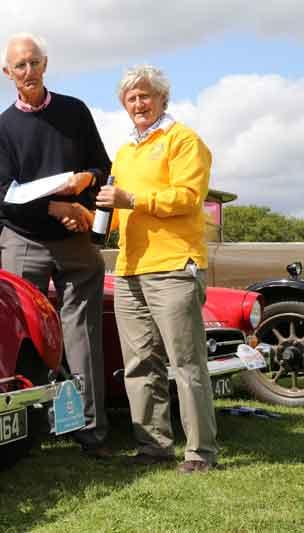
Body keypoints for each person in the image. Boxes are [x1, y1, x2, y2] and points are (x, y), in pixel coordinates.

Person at [0, 33, 111, 457]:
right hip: (24, 239)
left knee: (82, 334)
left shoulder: (74, 111)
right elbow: (5, 196)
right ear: (8, 73)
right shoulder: (0, 130)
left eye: (34, 63)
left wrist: (86, 187)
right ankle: (31, 428)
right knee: (26, 336)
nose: (28, 72)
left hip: (75, 241)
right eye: (19, 66)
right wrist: (58, 208)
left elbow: (103, 165)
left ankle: (90, 429)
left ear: (46, 63)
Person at [95, 65, 217, 473]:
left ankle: (200, 453)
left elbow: (186, 197)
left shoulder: (183, 140)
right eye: (131, 98)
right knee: (140, 364)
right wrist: (83, 218)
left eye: (145, 95)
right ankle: (152, 447)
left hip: (174, 266)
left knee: (186, 363)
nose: (138, 103)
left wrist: (132, 198)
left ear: (163, 98)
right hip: (129, 269)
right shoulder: (125, 151)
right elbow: (119, 213)